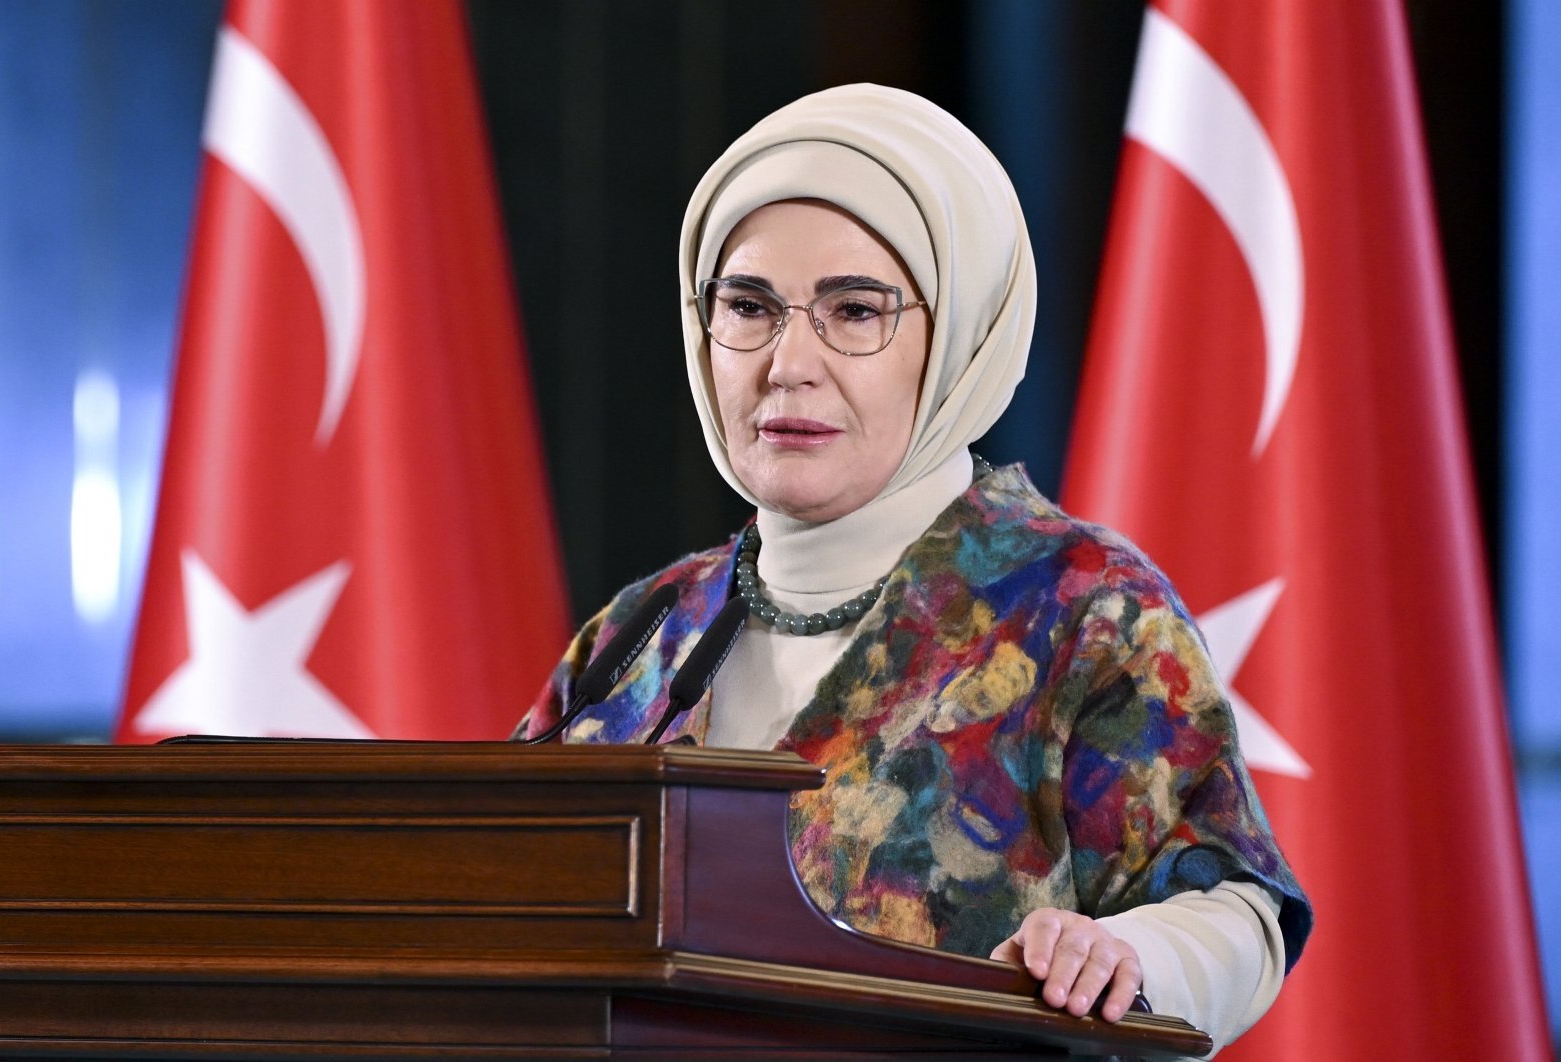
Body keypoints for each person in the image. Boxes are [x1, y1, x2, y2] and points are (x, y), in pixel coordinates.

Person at [519, 83, 1311, 1055]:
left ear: (961, 336)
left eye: (855, 311)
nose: (787, 363)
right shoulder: (638, 634)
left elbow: (1234, 907)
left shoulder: (1080, 607)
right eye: (748, 307)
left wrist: (1126, 954)